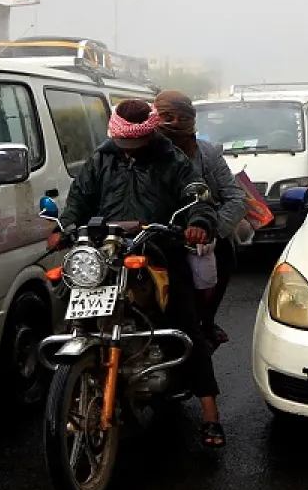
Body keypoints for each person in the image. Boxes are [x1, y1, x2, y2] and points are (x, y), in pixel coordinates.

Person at [50, 99, 227, 449]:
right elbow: (79, 200)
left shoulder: (171, 158)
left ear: (148, 135)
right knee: (71, 299)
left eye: (134, 142)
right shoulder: (101, 159)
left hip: (157, 248)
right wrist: (66, 227)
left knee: (185, 324)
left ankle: (211, 415)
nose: (128, 147)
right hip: (107, 251)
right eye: (123, 142)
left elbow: (196, 196)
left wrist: (198, 223)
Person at [154, 90, 248, 347]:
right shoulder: (138, 152)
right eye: (166, 116)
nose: (173, 123)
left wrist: (211, 230)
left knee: (223, 258)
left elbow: (236, 198)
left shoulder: (208, 154)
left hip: (201, 232)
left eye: (180, 117)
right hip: (155, 233)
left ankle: (205, 321)